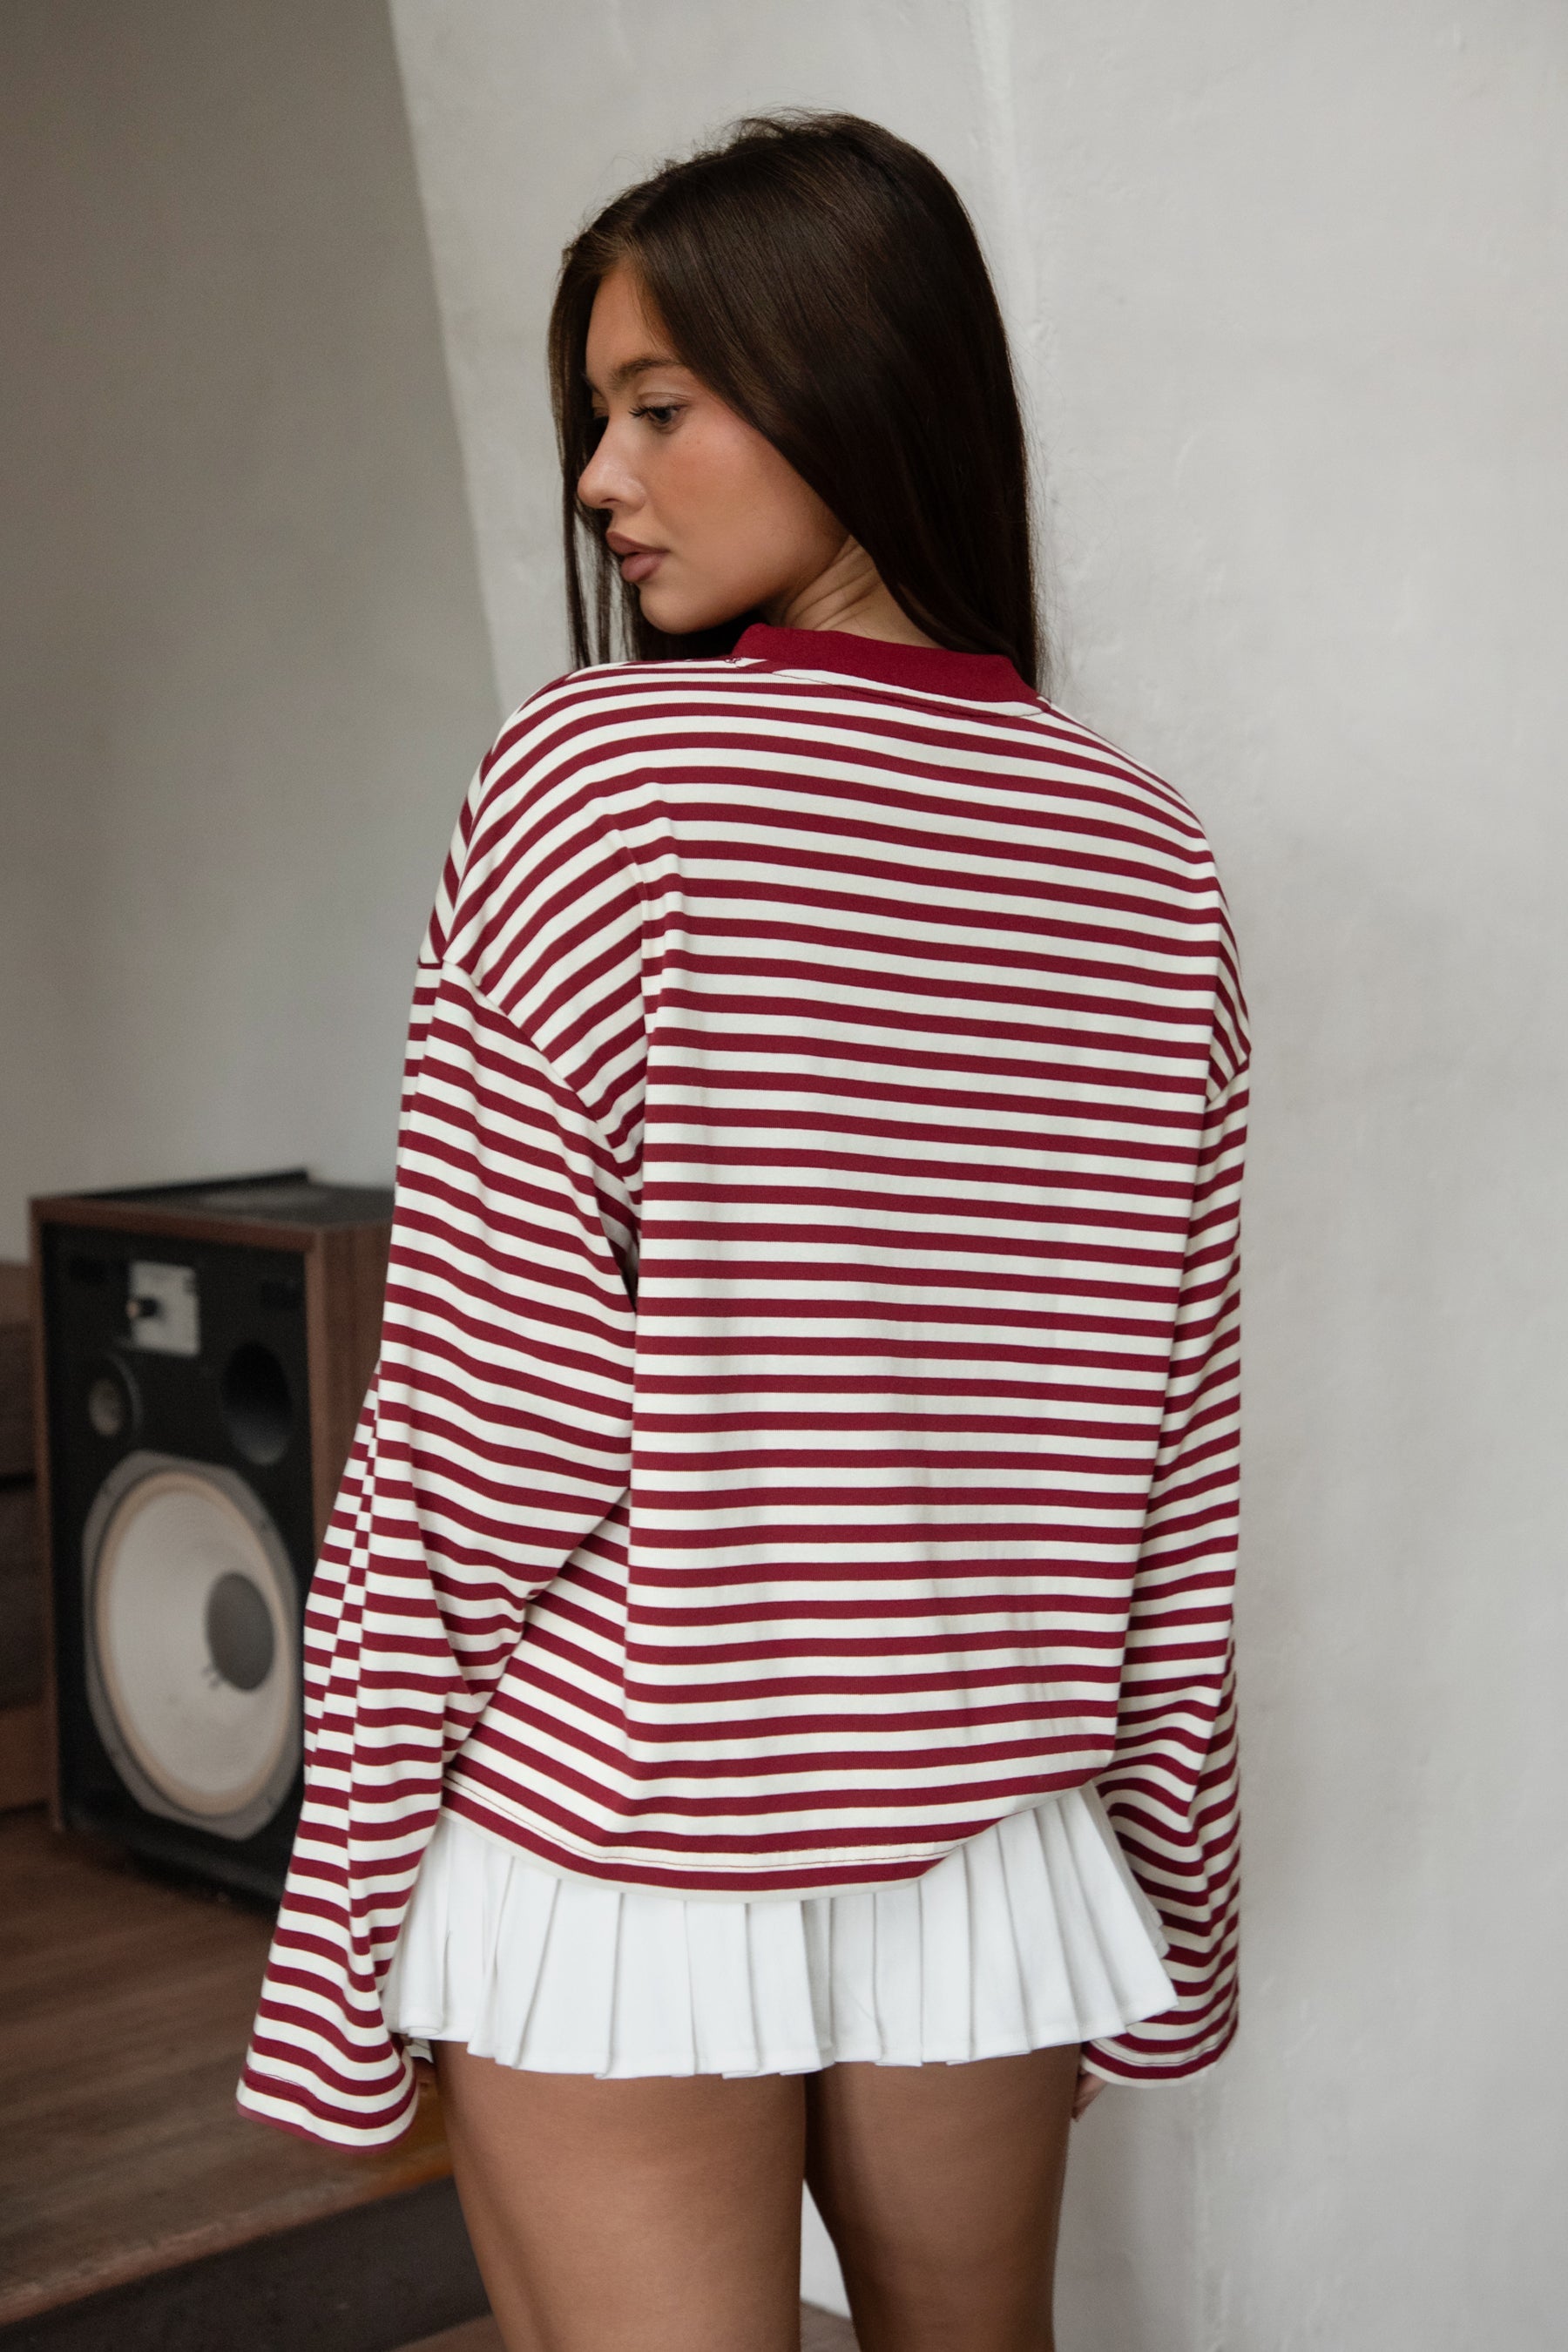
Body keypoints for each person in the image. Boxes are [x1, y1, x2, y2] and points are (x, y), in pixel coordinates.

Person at [239, 112, 1247, 2352]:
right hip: (991, 1841)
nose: (604, 476)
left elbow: (480, 1441)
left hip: (625, 1827)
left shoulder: (600, 781)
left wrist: (338, 1935)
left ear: (854, 380)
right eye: (598, 417)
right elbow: (1173, 1470)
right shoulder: (1150, 856)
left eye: (660, 404)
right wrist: (1168, 1906)